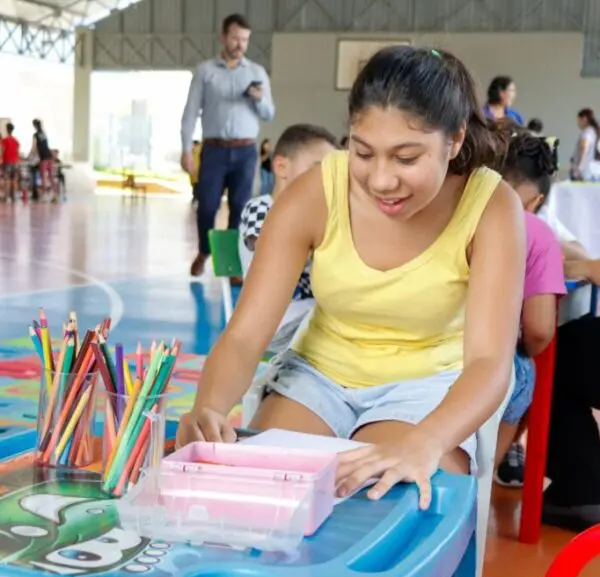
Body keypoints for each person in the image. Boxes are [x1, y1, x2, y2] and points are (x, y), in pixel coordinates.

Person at [177, 46, 525, 505]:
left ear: (455, 139)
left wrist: (428, 440)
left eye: (406, 158)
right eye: (363, 152)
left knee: (386, 500)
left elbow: (488, 363)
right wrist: (209, 408)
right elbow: (244, 336)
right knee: (266, 495)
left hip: (428, 385)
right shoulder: (315, 193)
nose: (381, 180)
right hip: (317, 375)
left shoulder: (491, 207)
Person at [493, 131, 566, 487]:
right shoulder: (537, 233)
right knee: (523, 373)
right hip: (491, 364)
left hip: (424, 351)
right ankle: (492, 467)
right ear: (536, 200)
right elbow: (539, 330)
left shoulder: (451, 212)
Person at [180, 13, 275, 278]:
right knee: (207, 205)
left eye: (244, 39)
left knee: (240, 207)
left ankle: (232, 263)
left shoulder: (257, 73)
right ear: (223, 37)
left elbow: (269, 113)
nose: (239, 44)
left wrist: (258, 99)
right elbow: (190, 112)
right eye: (235, 38)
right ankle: (204, 251)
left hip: (245, 151)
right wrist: (187, 149)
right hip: (214, 150)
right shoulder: (205, 71)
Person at [239, 124, 339, 351]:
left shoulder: (318, 214)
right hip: (277, 321)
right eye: (318, 169)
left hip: (313, 315)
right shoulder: (262, 208)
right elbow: (275, 255)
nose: (328, 180)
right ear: (282, 167)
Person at [30, 119, 57, 202]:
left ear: (34, 126)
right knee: (51, 177)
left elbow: (34, 148)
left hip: (44, 159)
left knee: (43, 177)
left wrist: (29, 156)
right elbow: (45, 145)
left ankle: (44, 196)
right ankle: (55, 196)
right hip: (49, 157)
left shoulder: (35, 135)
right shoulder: (44, 133)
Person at [570, 108, 600, 181]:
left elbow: (584, 150)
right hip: (592, 170)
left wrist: (579, 168)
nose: (578, 122)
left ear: (584, 119)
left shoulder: (587, 132)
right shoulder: (594, 132)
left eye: (578, 120)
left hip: (583, 171)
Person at [0, 123, 20, 202]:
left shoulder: (4, 140)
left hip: (7, 161)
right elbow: (17, 151)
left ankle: (6, 196)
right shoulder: (15, 140)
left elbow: (2, 151)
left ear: (6, 129)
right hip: (15, 162)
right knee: (14, 180)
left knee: (7, 179)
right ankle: (14, 197)